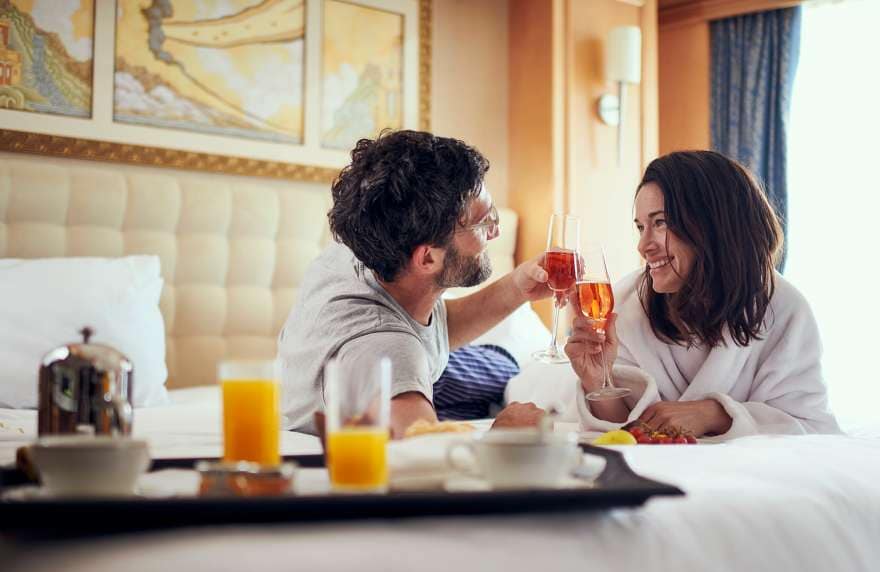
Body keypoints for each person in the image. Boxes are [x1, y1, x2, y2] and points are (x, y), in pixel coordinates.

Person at [279, 130, 549, 437]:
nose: (495, 231)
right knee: (504, 371)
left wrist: (517, 287)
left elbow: (433, 330)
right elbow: (429, 463)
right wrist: (504, 436)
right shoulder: (390, 352)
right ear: (427, 259)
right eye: (483, 221)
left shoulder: (355, 250)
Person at [562, 150, 839, 440]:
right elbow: (625, 435)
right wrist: (597, 381)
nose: (643, 246)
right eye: (641, 227)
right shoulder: (629, 304)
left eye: (661, 223)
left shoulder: (784, 309)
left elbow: (812, 427)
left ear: (712, 224)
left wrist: (715, 414)